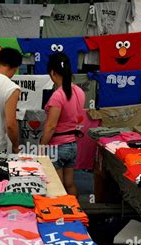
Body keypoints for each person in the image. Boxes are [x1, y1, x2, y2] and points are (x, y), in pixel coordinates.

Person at [41, 52, 85, 196]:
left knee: (57, 188)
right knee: (70, 184)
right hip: (72, 144)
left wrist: (41, 147)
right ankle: (76, 214)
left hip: (57, 146)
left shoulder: (58, 96)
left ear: (53, 73)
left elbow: (51, 126)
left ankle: (62, 216)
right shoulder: (79, 91)